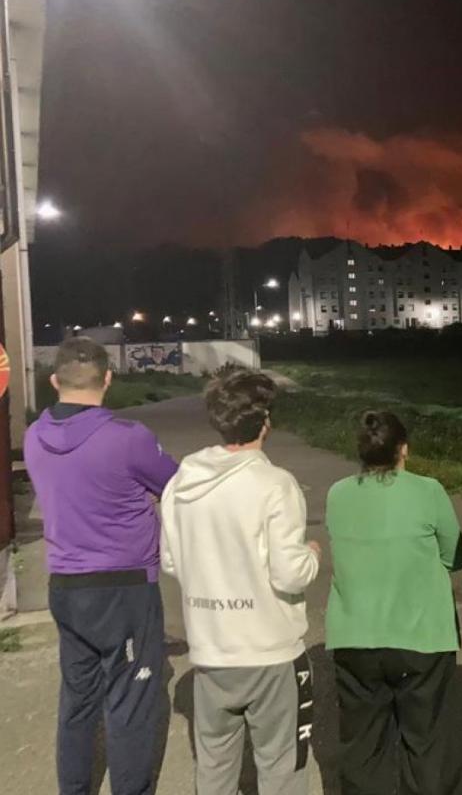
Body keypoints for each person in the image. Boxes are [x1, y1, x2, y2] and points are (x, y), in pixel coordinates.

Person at [23, 337, 179, 795]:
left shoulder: (34, 436)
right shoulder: (128, 437)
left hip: (66, 587)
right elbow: (172, 483)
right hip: (124, 587)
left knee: (77, 700)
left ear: (54, 381)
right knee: (129, 704)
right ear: (108, 379)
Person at [159, 370, 321, 795]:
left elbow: (172, 561)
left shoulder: (180, 483)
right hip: (270, 649)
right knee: (282, 768)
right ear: (265, 421)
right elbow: (289, 572)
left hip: (211, 649)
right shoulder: (275, 485)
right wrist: (313, 557)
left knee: (214, 768)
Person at [325, 410, 462, 794]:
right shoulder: (429, 490)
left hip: (355, 636)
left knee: (362, 746)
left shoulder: (338, 493)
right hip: (421, 635)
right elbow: (455, 556)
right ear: (403, 448)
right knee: (426, 743)